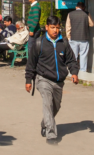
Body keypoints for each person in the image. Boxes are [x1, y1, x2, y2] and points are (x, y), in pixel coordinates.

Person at [25, 16, 79, 144]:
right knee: (47, 104)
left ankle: (45, 123)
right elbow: (31, 63)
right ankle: (51, 134)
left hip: (59, 81)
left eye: (58, 28)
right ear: (47, 27)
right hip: (43, 79)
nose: (55, 30)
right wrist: (28, 80)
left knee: (56, 106)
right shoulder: (39, 43)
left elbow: (71, 60)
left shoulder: (64, 43)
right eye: (53, 27)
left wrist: (74, 73)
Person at [65, 2, 94, 74]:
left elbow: (68, 27)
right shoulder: (86, 14)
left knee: (73, 56)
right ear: (83, 7)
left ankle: (72, 71)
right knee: (83, 56)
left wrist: (69, 37)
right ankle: (83, 72)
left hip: (73, 38)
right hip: (84, 38)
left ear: (76, 7)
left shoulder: (70, 14)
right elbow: (91, 24)